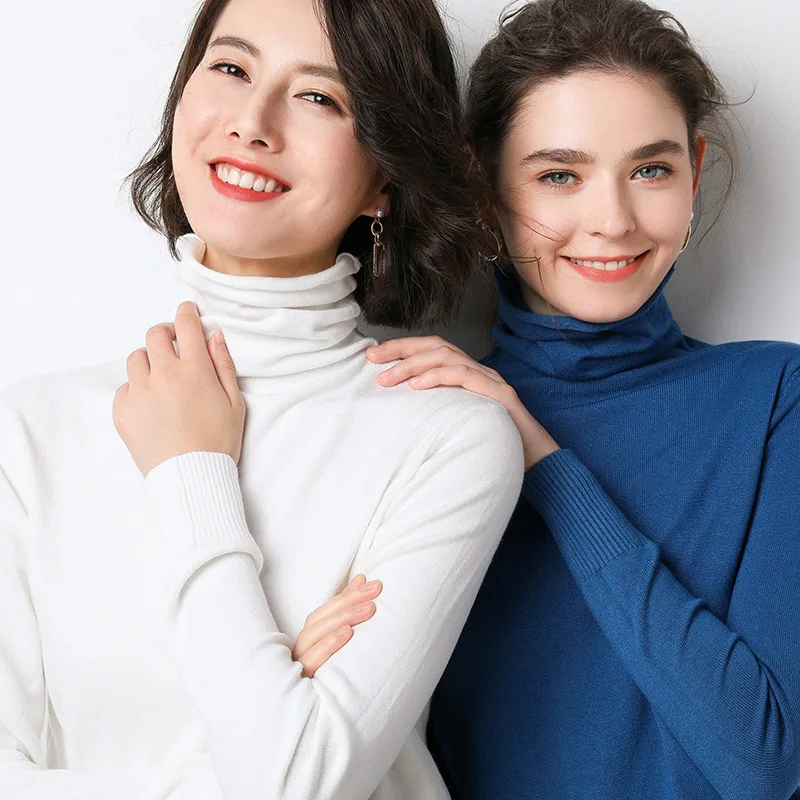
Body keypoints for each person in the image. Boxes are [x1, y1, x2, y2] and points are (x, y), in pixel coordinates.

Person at [0, 0, 523, 797]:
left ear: (385, 175)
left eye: (319, 96)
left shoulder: (447, 439)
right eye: (231, 68)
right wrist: (257, 747)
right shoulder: (30, 429)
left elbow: (294, 784)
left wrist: (192, 470)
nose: (252, 122)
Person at [351, 0, 800, 797]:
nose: (612, 220)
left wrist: (542, 460)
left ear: (695, 170)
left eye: (651, 170)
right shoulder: (426, 421)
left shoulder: (774, 401)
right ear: (482, 187)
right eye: (559, 175)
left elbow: (764, 763)